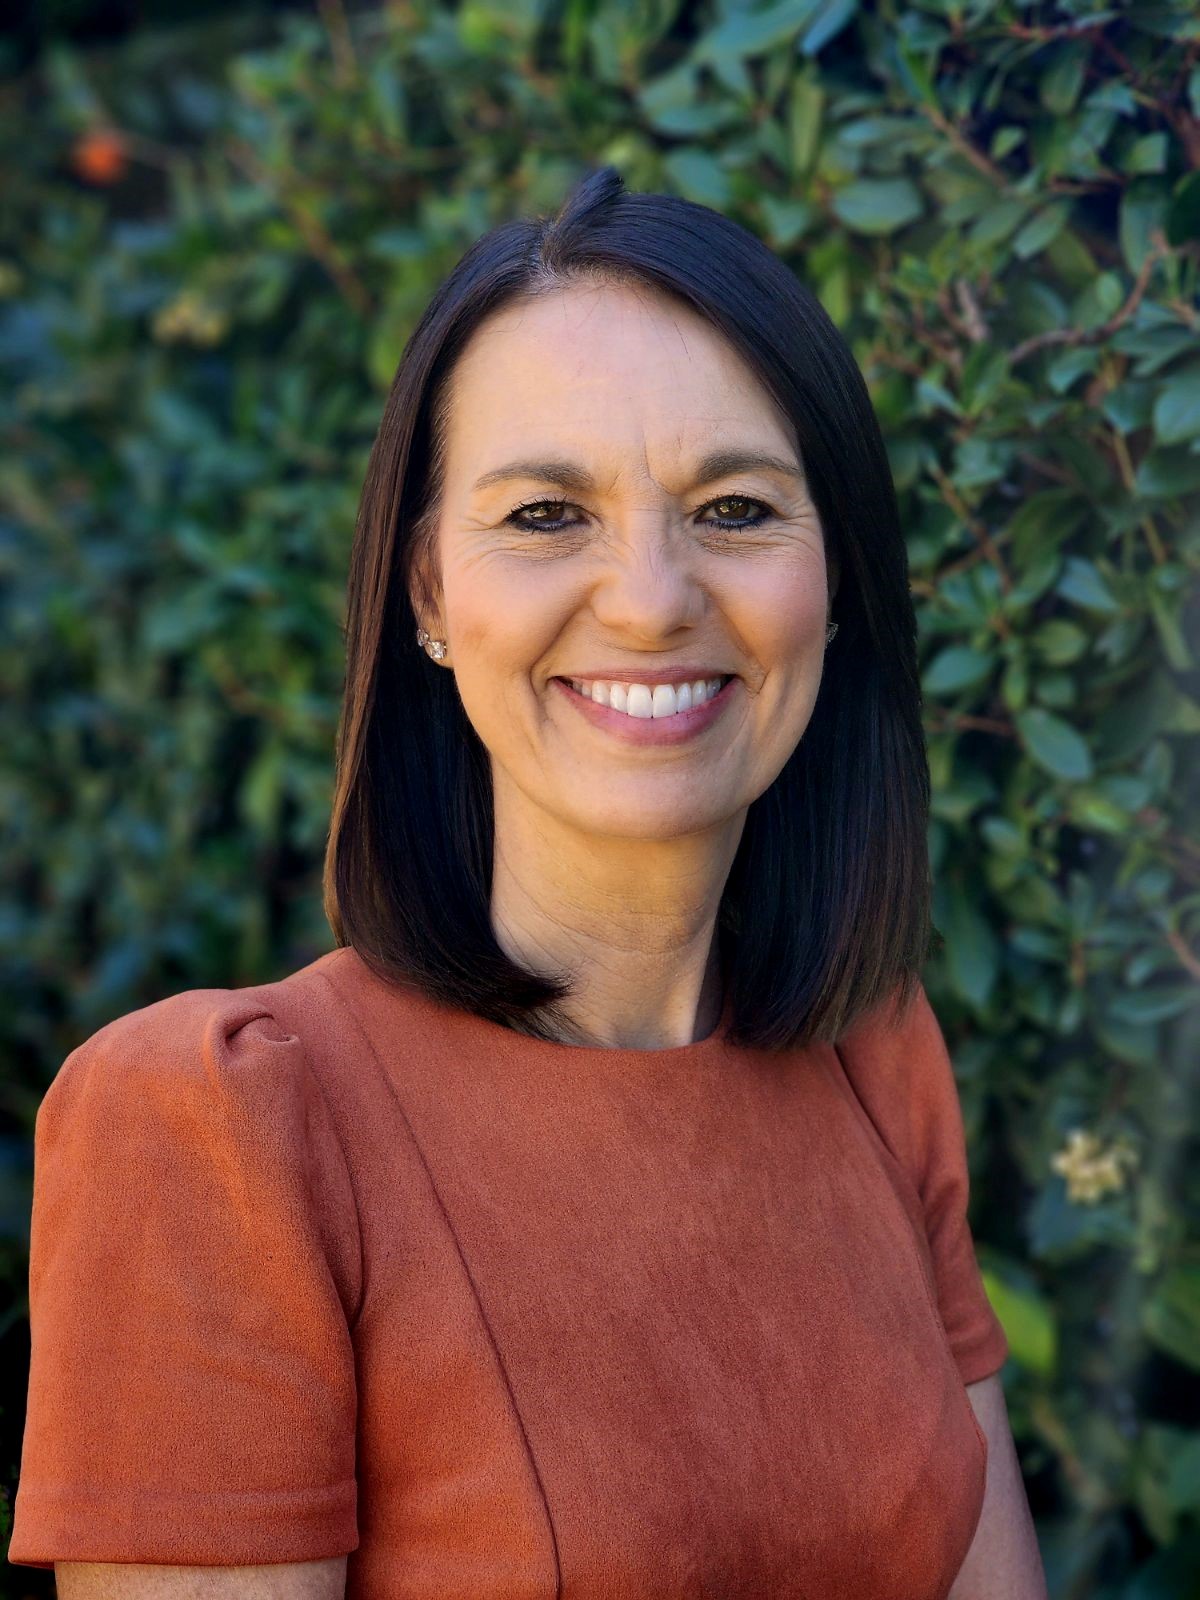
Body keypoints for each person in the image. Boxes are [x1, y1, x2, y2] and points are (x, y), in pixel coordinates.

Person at [9, 166, 1046, 1598]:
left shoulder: (871, 1052)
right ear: (431, 596)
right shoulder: (225, 1131)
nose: (650, 595)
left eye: (735, 507)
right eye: (548, 514)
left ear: (837, 578)